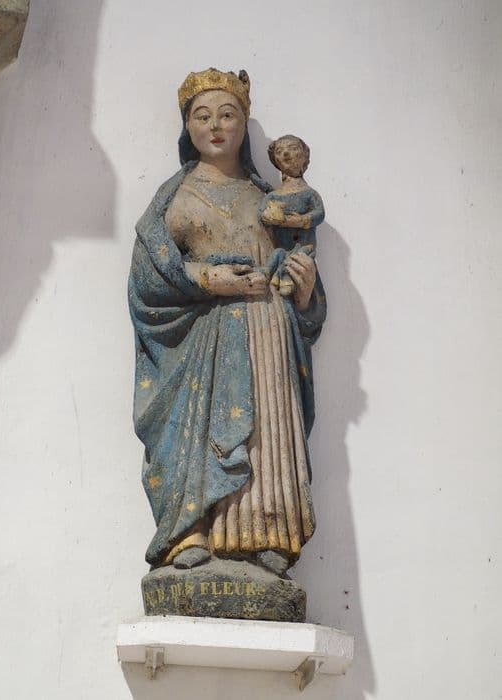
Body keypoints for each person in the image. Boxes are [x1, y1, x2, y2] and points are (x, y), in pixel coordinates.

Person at [128, 68, 326, 575]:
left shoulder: (270, 199)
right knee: (201, 431)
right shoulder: (173, 198)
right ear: (187, 126)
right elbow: (148, 280)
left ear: (244, 124)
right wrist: (208, 279)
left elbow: (301, 286)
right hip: (204, 342)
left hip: (266, 333)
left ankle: (269, 533)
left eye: (227, 115)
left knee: (265, 440)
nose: (215, 126)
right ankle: (188, 529)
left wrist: (304, 290)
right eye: (202, 116)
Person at [260, 134, 325, 297]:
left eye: (293, 148)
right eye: (279, 151)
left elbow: (319, 214)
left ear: (304, 156)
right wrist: (268, 216)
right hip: (282, 246)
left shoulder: (309, 193)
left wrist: (300, 220)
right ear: (275, 161)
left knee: (297, 261)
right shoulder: (273, 196)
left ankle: (285, 279)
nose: (286, 154)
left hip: (304, 246)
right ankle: (266, 274)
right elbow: (262, 214)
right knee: (278, 254)